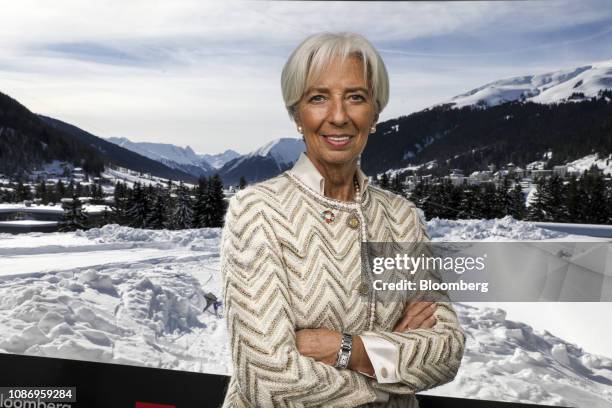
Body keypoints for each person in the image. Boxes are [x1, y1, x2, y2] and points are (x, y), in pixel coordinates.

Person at [220, 32, 465, 407]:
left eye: (356, 97)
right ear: (296, 115)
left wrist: (345, 349)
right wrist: (389, 373)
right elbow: (267, 378)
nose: (338, 116)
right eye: (318, 98)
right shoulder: (257, 210)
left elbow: (446, 352)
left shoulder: (402, 217)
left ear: (376, 112)